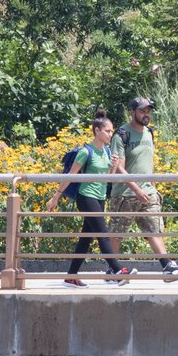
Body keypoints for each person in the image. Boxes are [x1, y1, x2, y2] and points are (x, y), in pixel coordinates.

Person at [109, 96, 178, 280]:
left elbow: (149, 164)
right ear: (133, 112)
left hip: (148, 193)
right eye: (142, 110)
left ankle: (167, 266)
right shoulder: (122, 134)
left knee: (154, 230)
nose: (146, 114)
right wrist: (136, 189)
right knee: (117, 233)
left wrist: (153, 187)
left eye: (148, 110)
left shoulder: (149, 133)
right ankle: (112, 270)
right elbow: (118, 168)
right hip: (125, 194)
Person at [46, 109, 134, 287]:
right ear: (97, 131)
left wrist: (114, 166)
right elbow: (70, 176)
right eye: (108, 131)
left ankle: (71, 276)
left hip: (100, 197)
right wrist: (55, 197)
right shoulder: (86, 152)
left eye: (111, 131)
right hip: (86, 197)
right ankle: (117, 270)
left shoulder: (108, 153)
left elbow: (107, 179)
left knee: (86, 238)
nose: (111, 134)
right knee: (103, 234)